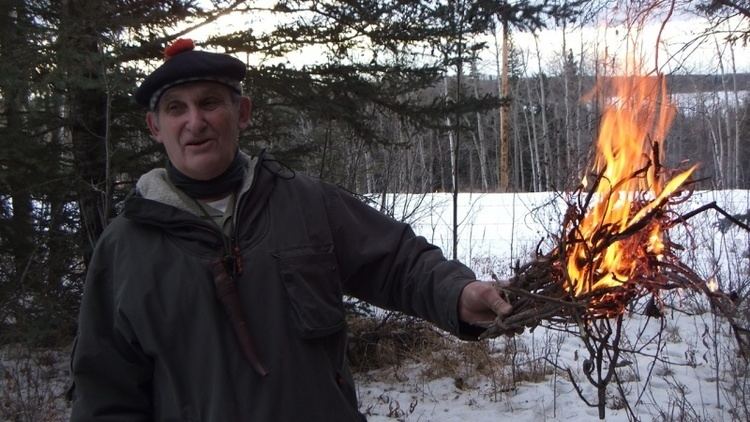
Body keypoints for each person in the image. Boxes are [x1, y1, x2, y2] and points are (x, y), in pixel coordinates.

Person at [69, 38, 513, 421]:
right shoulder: (126, 247)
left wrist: (457, 293)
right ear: (154, 127)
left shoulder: (305, 203)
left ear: (241, 112)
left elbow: (398, 261)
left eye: (209, 102)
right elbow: (104, 395)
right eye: (175, 109)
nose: (194, 122)